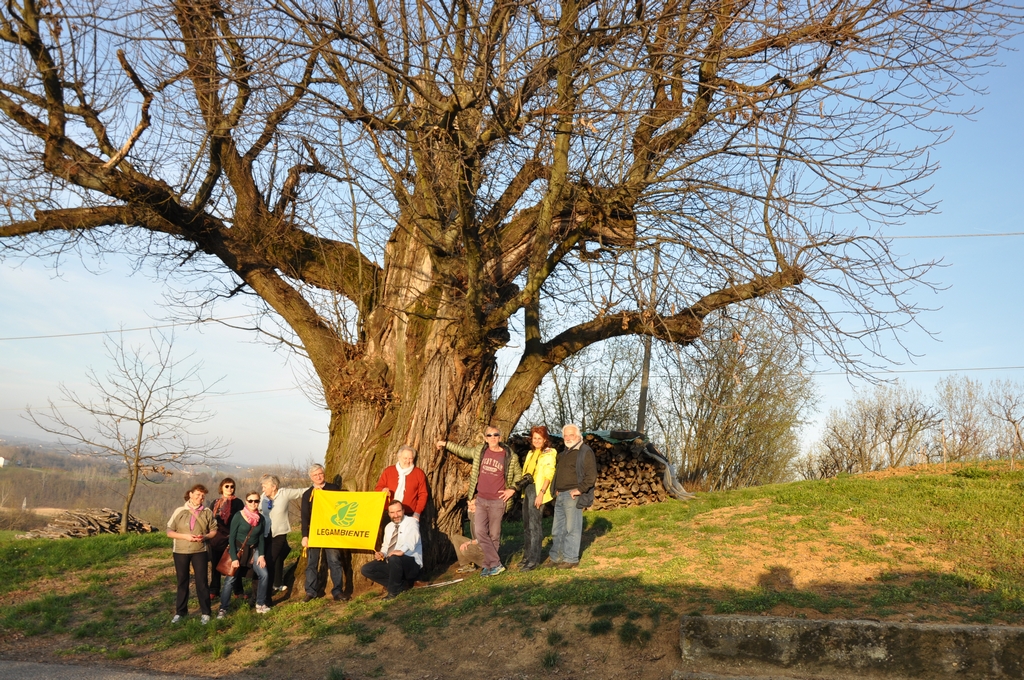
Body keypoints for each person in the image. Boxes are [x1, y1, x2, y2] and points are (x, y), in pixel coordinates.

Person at [437, 425, 522, 576]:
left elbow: (518, 475)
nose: (493, 438)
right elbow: (463, 451)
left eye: (496, 435)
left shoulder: (509, 455)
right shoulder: (480, 451)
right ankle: (495, 564)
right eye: (489, 435)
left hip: (498, 500)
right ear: (485, 438)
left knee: (494, 535)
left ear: (500, 437)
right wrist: (445, 444)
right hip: (481, 499)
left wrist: (512, 489)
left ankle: (489, 566)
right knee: (480, 531)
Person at [545, 424, 597, 569]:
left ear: (578, 436)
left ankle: (571, 559)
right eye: (565, 435)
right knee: (558, 529)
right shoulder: (564, 453)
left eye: (571, 435)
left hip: (572, 495)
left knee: (571, 528)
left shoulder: (585, 451)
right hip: (560, 495)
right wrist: (556, 488)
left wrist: (579, 490)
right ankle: (556, 557)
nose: (568, 438)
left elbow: (591, 475)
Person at [166, 484, 217, 624]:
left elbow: (214, 530)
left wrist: (205, 537)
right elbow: (169, 531)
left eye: (202, 496)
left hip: (200, 550)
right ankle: (180, 612)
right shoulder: (179, 511)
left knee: (202, 582)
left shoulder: (207, 512)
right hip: (180, 551)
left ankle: (206, 612)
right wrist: (185, 537)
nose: (200, 498)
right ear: (190, 494)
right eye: (197, 494)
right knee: (182, 582)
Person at [300, 463, 350, 602]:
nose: (318, 477)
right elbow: (304, 516)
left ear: (324, 474)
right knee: (312, 563)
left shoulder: (334, 489)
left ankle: (338, 591)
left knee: (334, 561)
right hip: (313, 532)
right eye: (315, 475)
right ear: (311, 477)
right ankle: (310, 591)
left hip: (331, 532)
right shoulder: (307, 494)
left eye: (320, 474)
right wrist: (305, 536)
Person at [219, 491, 270, 617]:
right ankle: (223, 609)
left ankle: (260, 603)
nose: (253, 503)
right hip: (238, 549)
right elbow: (231, 538)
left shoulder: (261, 519)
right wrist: (234, 558)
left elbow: (261, 538)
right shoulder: (238, 516)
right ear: (246, 502)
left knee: (264, 574)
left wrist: (262, 555)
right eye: (251, 501)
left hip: (254, 550)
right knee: (230, 579)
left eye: (256, 501)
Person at [361, 500, 422, 598]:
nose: (396, 515)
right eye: (392, 512)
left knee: (394, 558)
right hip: (393, 564)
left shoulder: (411, 522)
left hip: (410, 563)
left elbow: (413, 538)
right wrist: (382, 554)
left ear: (403, 510)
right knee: (366, 569)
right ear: (388, 513)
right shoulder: (388, 527)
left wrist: (402, 551)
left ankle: (393, 592)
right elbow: (386, 546)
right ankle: (400, 585)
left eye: (398, 511)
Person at [519, 426, 557, 571]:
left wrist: (541, 493)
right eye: (534, 438)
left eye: (539, 438)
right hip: (527, 489)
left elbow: (549, 474)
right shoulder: (531, 453)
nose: (536, 441)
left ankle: (534, 560)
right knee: (527, 525)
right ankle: (527, 556)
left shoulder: (549, 452)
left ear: (545, 439)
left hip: (538, 489)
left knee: (535, 526)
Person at [260, 474, 304, 593]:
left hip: (279, 533)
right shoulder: (263, 497)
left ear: (273, 487)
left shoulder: (284, 493)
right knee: (277, 557)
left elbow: (301, 492)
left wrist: (317, 488)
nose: (263, 489)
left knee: (270, 558)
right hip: (265, 533)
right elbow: (258, 511)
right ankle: (277, 583)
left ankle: (267, 589)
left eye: (264, 486)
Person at [208, 478, 244, 600]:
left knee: (234, 564)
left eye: (232, 486)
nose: (229, 489)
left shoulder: (238, 503)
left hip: (232, 538)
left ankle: (238, 590)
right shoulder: (215, 503)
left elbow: (242, 520)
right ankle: (214, 589)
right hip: (217, 538)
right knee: (215, 565)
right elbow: (210, 520)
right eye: (227, 486)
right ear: (221, 487)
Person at [374, 445, 428, 520]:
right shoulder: (389, 471)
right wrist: (383, 490)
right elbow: (378, 488)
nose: (407, 461)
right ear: (399, 457)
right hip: (389, 513)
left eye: (410, 458)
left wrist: (417, 513)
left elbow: (423, 495)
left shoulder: (419, 473)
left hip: (409, 514)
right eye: (405, 458)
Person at [450, 498, 485, 574]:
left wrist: (469, 542)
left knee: (465, 550)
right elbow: (469, 512)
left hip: (484, 549)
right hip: (477, 545)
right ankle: (467, 564)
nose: (471, 507)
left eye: (473, 504)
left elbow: (483, 538)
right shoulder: (473, 514)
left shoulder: (483, 518)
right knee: (456, 538)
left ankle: (485, 563)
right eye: (469, 505)